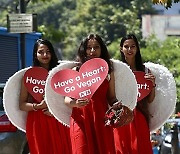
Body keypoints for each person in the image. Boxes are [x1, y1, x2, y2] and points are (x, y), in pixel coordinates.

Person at [64, 34, 133, 154]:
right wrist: (75, 103)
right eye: (88, 47)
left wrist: (117, 106)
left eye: (96, 47)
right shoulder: (76, 71)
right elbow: (67, 100)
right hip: (80, 120)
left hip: (101, 121)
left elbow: (111, 97)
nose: (92, 51)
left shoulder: (108, 72)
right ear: (83, 50)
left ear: (102, 49)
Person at [19, 39, 72, 154]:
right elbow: (22, 105)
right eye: (41, 52)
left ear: (52, 53)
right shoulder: (29, 76)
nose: (45, 55)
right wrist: (37, 106)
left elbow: (68, 99)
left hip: (58, 119)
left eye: (48, 51)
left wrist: (55, 110)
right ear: (35, 55)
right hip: (38, 122)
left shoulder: (60, 73)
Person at [114, 34, 156, 154]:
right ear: (121, 48)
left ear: (137, 48)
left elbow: (150, 100)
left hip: (140, 117)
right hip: (121, 117)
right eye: (126, 46)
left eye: (133, 46)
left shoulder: (146, 71)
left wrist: (152, 84)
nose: (129, 49)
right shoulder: (116, 71)